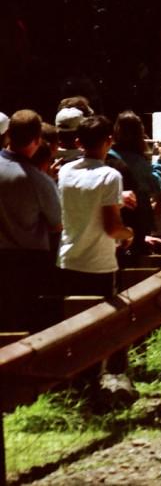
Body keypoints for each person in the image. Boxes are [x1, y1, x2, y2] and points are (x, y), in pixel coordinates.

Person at [57, 115, 133, 300]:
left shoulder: (65, 171)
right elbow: (112, 228)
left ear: (78, 142)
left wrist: (118, 200)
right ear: (109, 140)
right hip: (97, 265)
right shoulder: (110, 176)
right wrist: (129, 234)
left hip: (67, 260)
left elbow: (83, 198)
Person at [0, 110, 62, 331]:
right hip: (26, 264)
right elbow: (57, 224)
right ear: (37, 140)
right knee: (20, 325)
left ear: (8, 134)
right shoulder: (39, 181)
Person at [108, 111, 161, 256]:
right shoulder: (139, 162)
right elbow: (155, 185)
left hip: (112, 219)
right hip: (135, 222)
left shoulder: (108, 156)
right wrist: (160, 160)